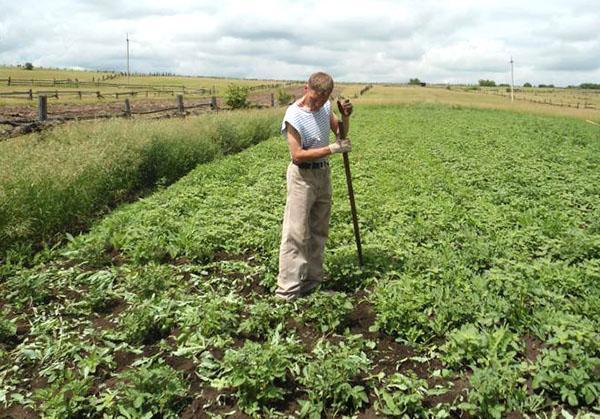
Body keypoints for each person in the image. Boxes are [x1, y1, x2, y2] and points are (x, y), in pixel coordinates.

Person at [275, 71, 353, 300]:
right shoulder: (294, 115)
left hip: (322, 173)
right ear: (305, 89)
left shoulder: (326, 107)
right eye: (315, 98)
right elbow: (297, 154)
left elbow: (340, 133)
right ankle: (287, 292)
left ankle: (312, 283)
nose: (318, 103)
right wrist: (331, 149)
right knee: (296, 233)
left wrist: (345, 117)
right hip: (302, 177)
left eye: (323, 99)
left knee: (319, 231)